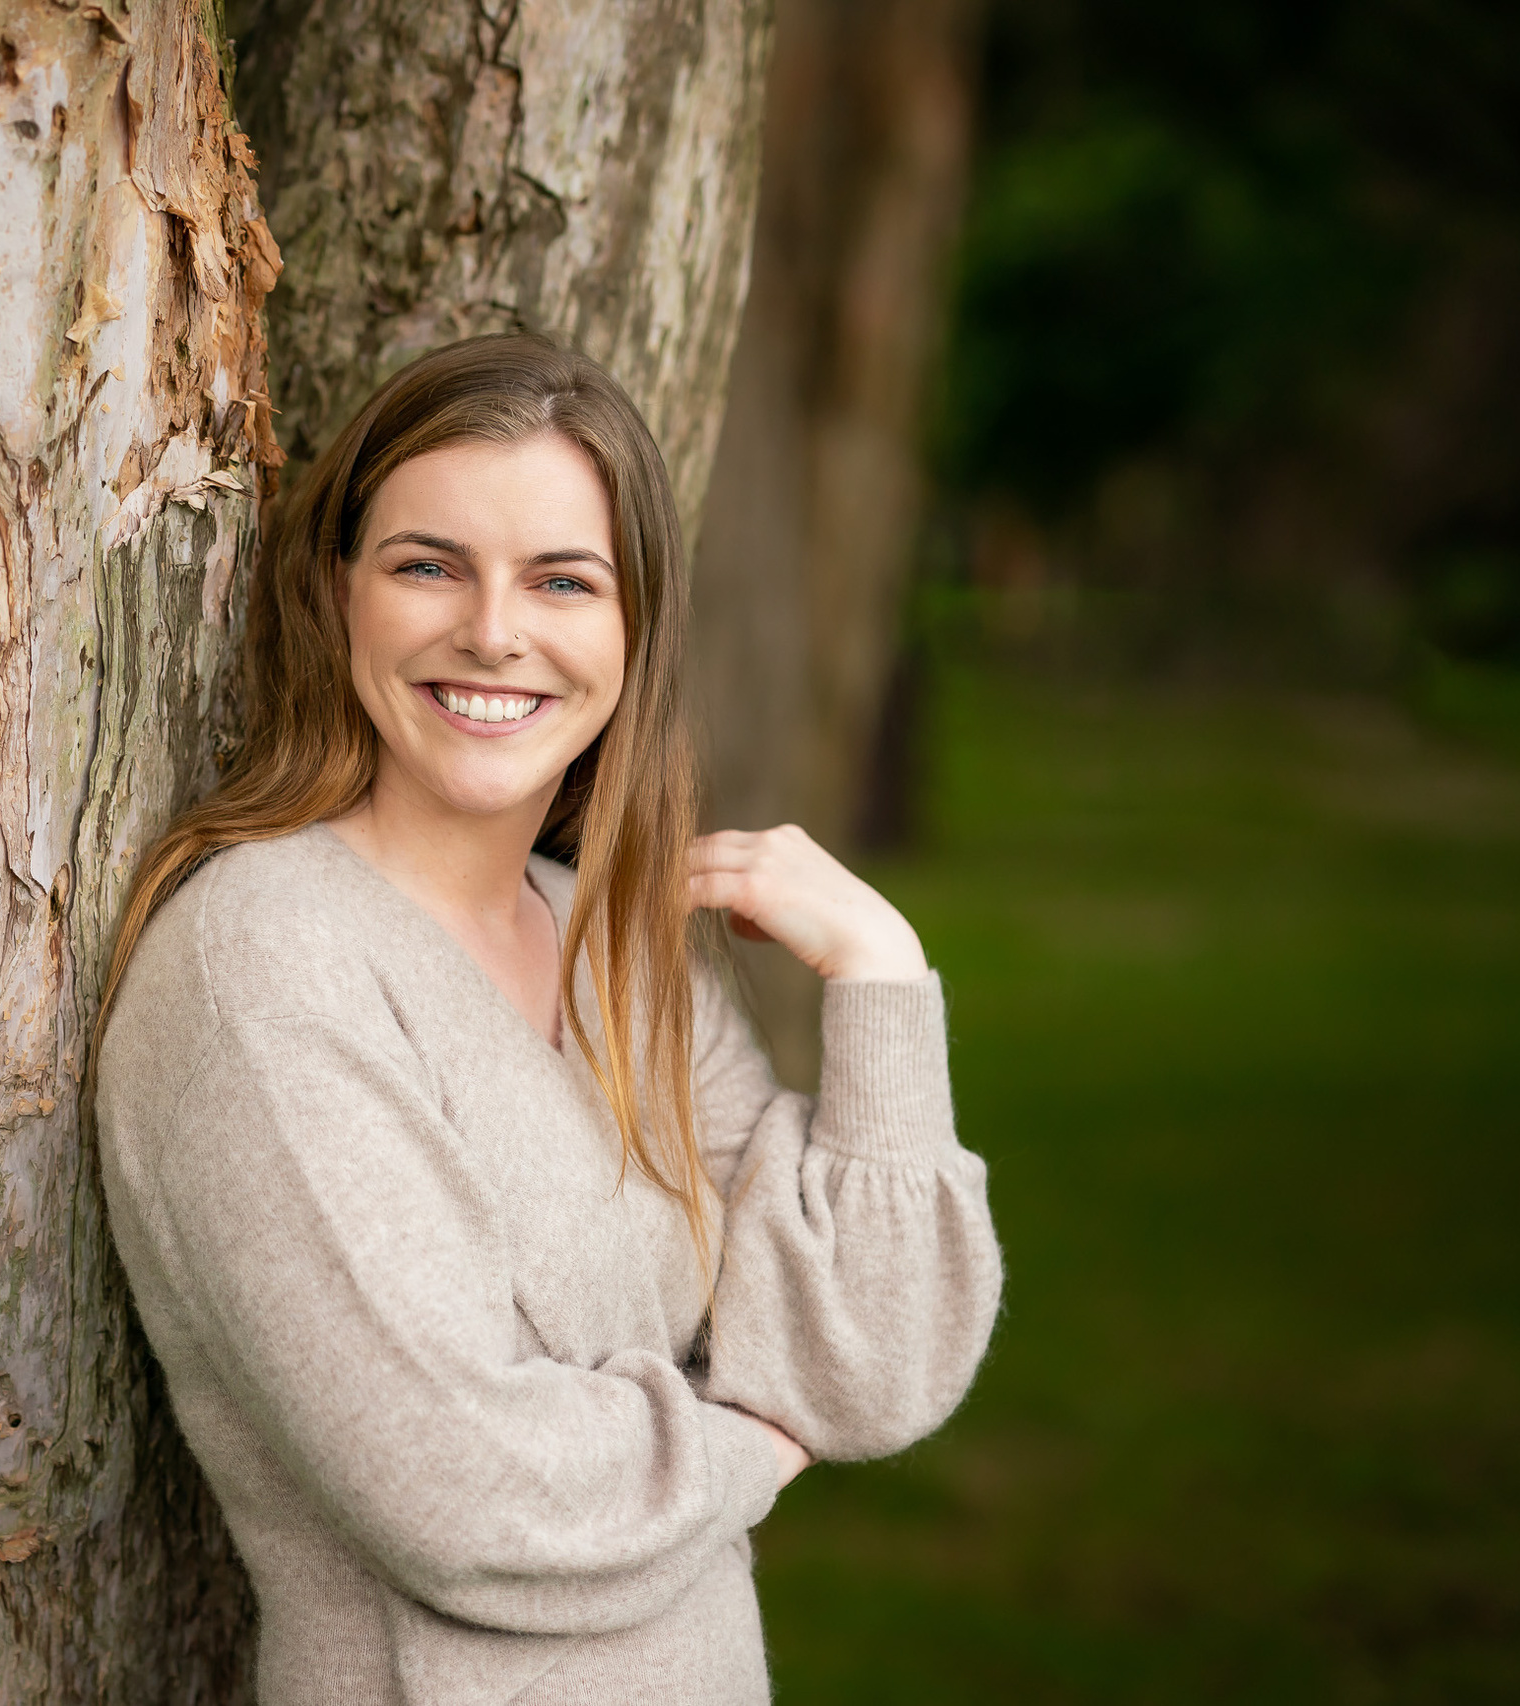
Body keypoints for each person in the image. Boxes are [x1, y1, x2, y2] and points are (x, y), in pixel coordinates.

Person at [94, 334, 1002, 1703]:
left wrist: (881, 974)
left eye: (563, 580)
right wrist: (750, 1445)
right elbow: (463, 1494)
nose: (493, 632)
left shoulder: (616, 952)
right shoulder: (263, 964)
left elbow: (870, 1363)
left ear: (634, 630)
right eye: (428, 566)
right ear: (337, 592)